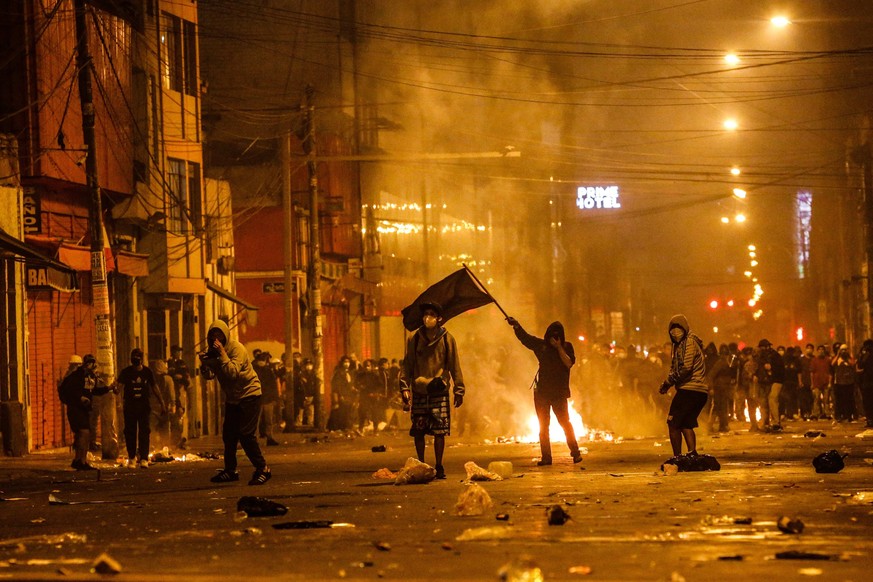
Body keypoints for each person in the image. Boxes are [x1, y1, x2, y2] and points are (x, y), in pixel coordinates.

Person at [199, 320, 271, 485]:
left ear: (225, 336)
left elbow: (232, 373)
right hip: (233, 398)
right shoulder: (213, 352)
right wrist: (205, 365)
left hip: (249, 394)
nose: (216, 340)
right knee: (229, 435)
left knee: (246, 435)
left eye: (219, 336)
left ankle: (263, 469)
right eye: (212, 336)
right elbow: (210, 376)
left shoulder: (237, 349)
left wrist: (222, 353)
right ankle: (230, 470)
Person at [399, 302, 465, 479]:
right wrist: (404, 387)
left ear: (439, 318)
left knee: (439, 431)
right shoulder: (415, 339)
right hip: (420, 390)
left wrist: (459, 389)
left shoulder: (447, 339)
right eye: (425, 313)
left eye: (431, 314)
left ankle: (439, 465)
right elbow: (408, 364)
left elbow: (454, 365)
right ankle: (421, 464)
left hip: (439, 390)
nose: (427, 317)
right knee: (418, 431)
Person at [506, 316, 583, 466]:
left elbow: (568, 363)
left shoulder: (567, 347)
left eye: (557, 335)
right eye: (552, 335)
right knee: (543, 426)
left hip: (559, 393)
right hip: (542, 393)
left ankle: (575, 453)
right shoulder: (542, 346)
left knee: (565, 423)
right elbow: (526, 339)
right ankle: (546, 457)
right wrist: (516, 325)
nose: (554, 338)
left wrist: (559, 347)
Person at [658, 314, 708, 457]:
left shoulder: (689, 343)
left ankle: (677, 457)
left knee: (673, 423)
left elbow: (686, 367)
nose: (675, 332)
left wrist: (668, 383)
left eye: (678, 328)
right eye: (672, 329)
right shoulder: (681, 345)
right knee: (686, 423)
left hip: (690, 390)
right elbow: (675, 367)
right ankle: (692, 454)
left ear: (685, 328)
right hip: (697, 391)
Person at [58, 354, 113, 470]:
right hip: (75, 409)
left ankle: (78, 460)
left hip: (83, 409)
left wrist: (109, 388)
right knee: (84, 433)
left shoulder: (90, 377)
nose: (92, 367)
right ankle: (81, 461)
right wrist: (80, 398)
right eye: (90, 364)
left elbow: (94, 391)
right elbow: (71, 390)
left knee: (81, 434)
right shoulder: (76, 376)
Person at [117, 348, 164, 468]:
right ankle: (132, 458)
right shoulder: (126, 372)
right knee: (130, 432)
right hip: (130, 406)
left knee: (144, 432)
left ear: (142, 359)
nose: (136, 361)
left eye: (138, 358)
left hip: (143, 406)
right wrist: (114, 388)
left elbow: (154, 387)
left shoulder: (147, 372)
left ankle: (143, 458)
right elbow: (119, 388)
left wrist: (162, 403)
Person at [756, 339, 785, 431]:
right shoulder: (763, 356)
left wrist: (771, 368)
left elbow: (780, 368)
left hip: (777, 380)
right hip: (768, 382)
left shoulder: (775, 356)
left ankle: (776, 422)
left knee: (772, 399)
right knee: (766, 402)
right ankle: (768, 422)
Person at [254, 352, 280, 446]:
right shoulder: (254, 371)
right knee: (256, 420)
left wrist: (275, 398)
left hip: (266, 399)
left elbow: (273, 385)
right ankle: (255, 438)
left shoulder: (268, 371)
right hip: (258, 399)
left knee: (268, 420)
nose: (262, 363)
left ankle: (269, 437)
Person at [168, 345, 192, 443]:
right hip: (171, 391)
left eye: (179, 352)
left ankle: (181, 438)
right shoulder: (169, 363)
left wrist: (181, 378)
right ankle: (174, 438)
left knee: (180, 413)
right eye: (176, 351)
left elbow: (187, 379)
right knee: (172, 416)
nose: (178, 353)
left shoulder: (182, 364)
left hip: (180, 390)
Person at [150, 359, 177, 449]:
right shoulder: (168, 379)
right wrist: (173, 406)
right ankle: (164, 448)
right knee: (164, 430)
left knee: (152, 430)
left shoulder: (150, 378)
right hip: (164, 408)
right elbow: (172, 393)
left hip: (152, 408)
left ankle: (153, 447)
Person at [831, 344, 857, 422]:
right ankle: (840, 415)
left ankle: (849, 415)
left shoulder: (849, 358)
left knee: (849, 400)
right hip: (839, 382)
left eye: (845, 350)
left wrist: (847, 357)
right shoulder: (837, 358)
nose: (844, 351)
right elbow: (832, 364)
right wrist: (838, 355)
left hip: (849, 382)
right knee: (839, 400)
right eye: (842, 350)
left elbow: (852, 364)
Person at [856, 339, 873, 427]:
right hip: (867, 382)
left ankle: (870, 420)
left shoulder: (866, 355)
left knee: (868, 403)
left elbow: (860, 365)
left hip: (867, 383)